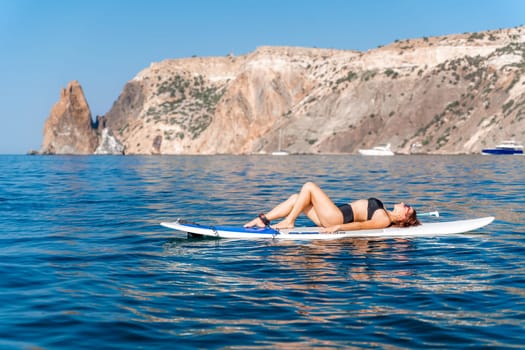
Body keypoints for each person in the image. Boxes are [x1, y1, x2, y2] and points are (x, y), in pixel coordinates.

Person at [244, 181, 419, 233]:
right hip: (332, 215)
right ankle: (263, 220)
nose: (404, 204)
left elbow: (361, 225)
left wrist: (338, 227)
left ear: (404, 217)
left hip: (336, 218)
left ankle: (289, 222)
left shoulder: (383, 219)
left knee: (309, 186)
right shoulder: (385, 212)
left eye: (407, 207)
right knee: (297, 198)